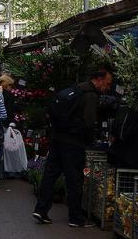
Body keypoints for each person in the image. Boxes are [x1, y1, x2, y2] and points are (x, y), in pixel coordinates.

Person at [33, 64, 114, 227]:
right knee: (74, 179)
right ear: (98, 80)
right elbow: (89, 122)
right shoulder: (90, 95)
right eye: (107, 83)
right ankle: (76, 217)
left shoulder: (76, 89)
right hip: (73, 142)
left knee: (50, 174)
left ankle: (41, 209)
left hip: (57, 138)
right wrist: (90, 140)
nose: (108, 87)